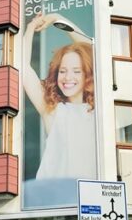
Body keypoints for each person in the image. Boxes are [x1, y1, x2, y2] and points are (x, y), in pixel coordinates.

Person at [23, 12, 96, 181]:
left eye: (76, 71)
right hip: (53, 191)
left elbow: (95, 53)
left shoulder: (97, 110)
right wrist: (31, 28)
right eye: (62, 71)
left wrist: (57, 18)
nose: (68, 77)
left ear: (87, 75)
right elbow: (23, 67)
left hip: (88, 191)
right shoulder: (53, 109)